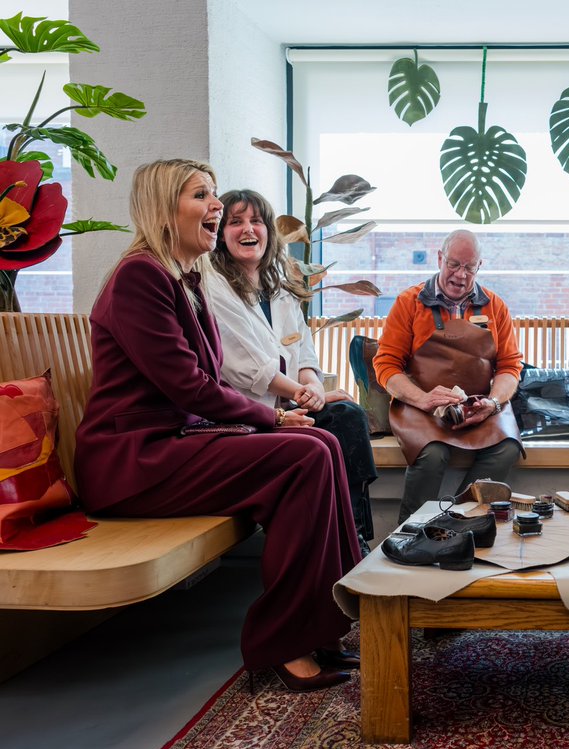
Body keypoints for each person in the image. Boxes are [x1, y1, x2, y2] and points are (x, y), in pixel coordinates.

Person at [74, 159, 362, 692]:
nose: (216, 207)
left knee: (320, 441)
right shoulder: (141, 276)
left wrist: (276, 421)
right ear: (164, 209)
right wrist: (272, 418)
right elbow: (189, 385)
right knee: (304, 454)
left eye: (214, 196)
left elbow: (204, 381)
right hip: (133, 459)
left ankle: (327, 624)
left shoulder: (184, 280)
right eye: (202, 196)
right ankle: (284, 640)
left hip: (174, 443)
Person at [205, 188, 376, 556]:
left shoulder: (277, 289)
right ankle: (346, 547)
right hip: (252, 416)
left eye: (256, 221)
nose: (248, 229)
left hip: (289, 406)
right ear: (221, 235)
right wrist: (305, 394)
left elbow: (303, 353)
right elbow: (247, 365)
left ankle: (356, 537)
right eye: (235, 222)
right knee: (329, 431)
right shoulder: (214, 287)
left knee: (348, 415)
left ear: (269, 231)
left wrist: (312, 385)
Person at [374, 229, 523, 525]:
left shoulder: (495, 307)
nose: (460, 275)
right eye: (453, 264)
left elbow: (510, 367)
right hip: (421, 404)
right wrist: (423, 399)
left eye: (469, 267)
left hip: (477, 405)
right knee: (431, 454)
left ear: (479, 266)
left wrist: (492, 403)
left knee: (507, 448)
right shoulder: (409, 302)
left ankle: (456, 519)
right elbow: (386, 365)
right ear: (440, 258)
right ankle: (410, 531)